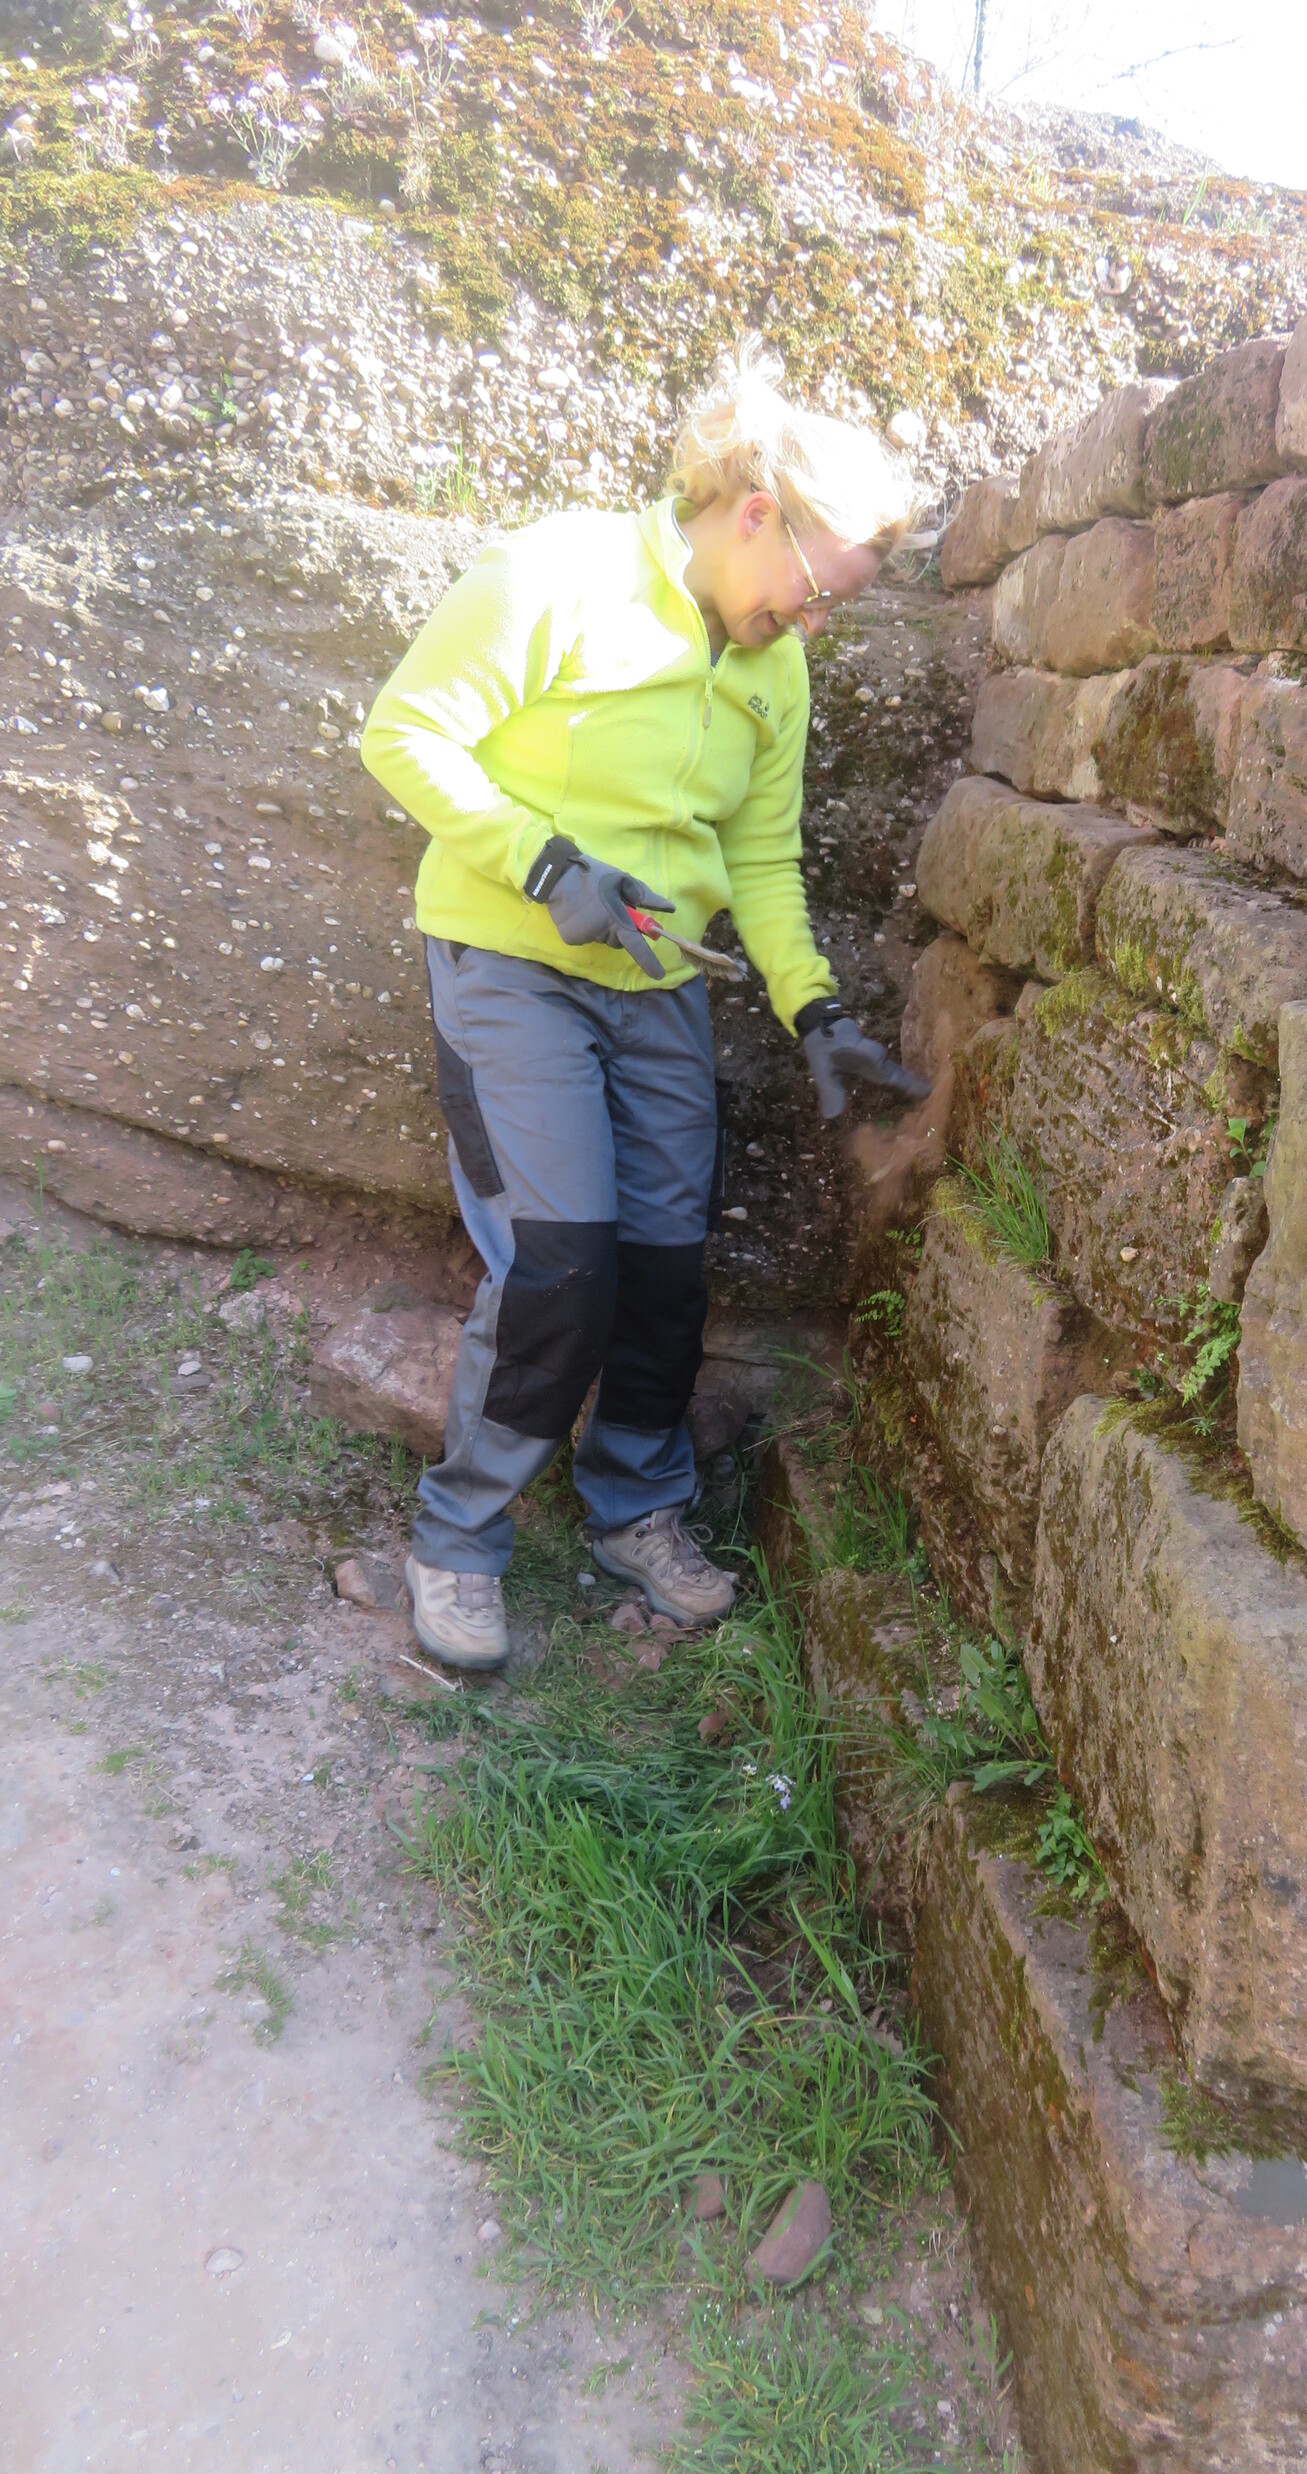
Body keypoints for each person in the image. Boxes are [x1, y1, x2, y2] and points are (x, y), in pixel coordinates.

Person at [361, 343, 927, 1671]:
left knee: (668, 1270)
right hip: (511, 965)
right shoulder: (555, 575)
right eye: (812, 594)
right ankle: (459, 1537)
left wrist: (815, 1010)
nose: (811, 626)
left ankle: (635, 1510)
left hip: (658, 985)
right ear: (754, 515)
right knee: (561, 1262)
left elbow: (762, 861)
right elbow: (404, 731)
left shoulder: (772, 669)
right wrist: (546, 864)